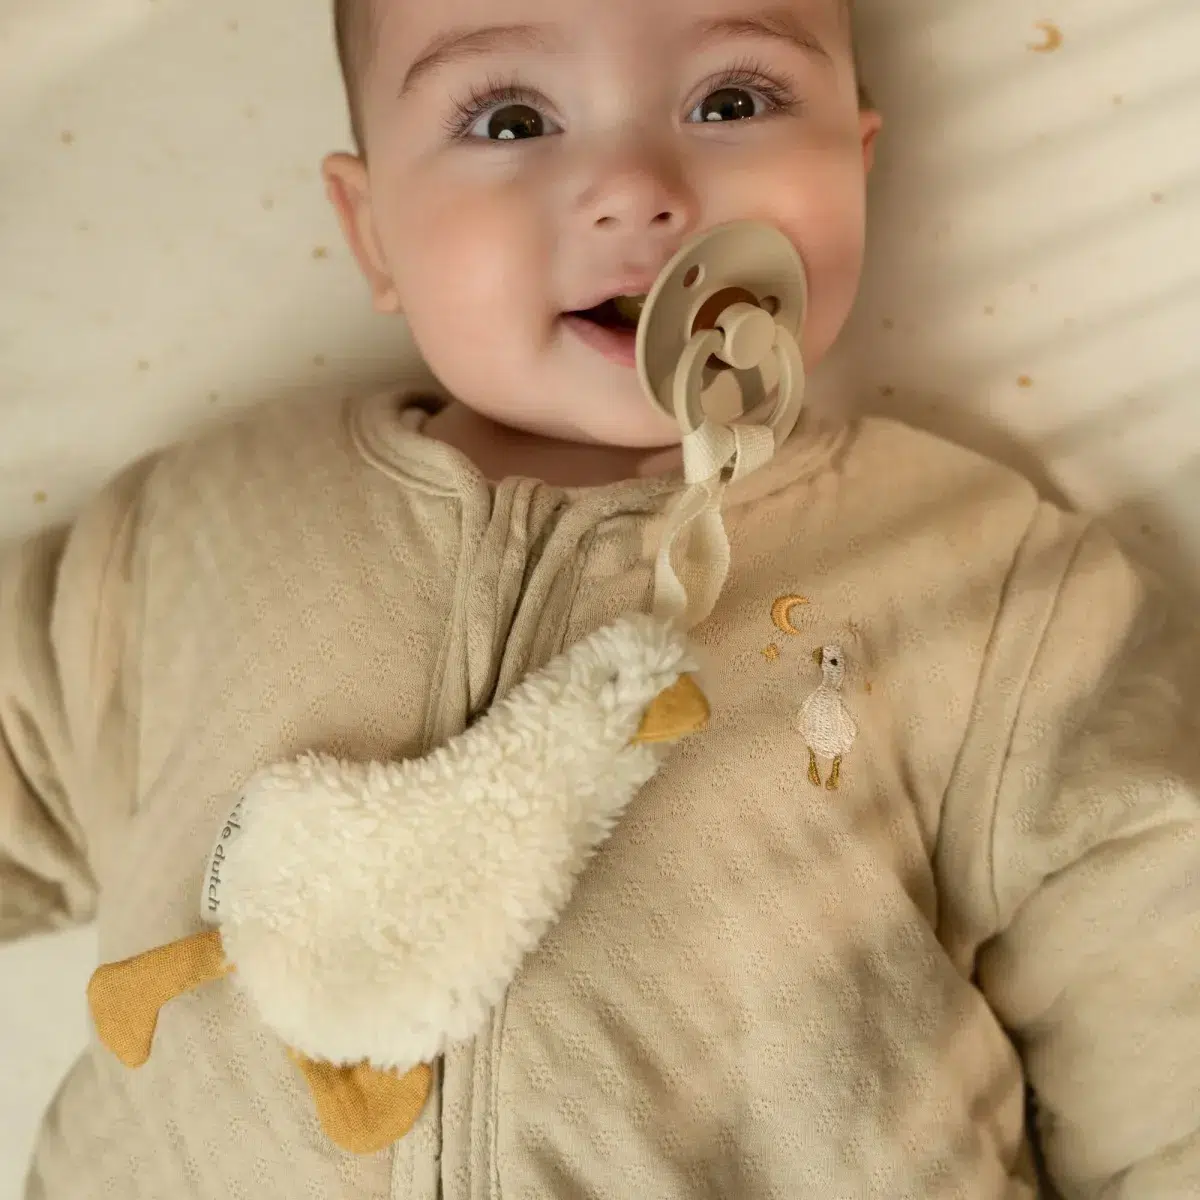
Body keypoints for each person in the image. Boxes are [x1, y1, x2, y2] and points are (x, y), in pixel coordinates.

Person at [2, 0, 1197, 1196]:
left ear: (857, 163)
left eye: (732, 101)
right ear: (374, 235)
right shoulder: (199, 530)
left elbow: (1161, 996)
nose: (636, 190)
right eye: (511, 120)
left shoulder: (979, 581)